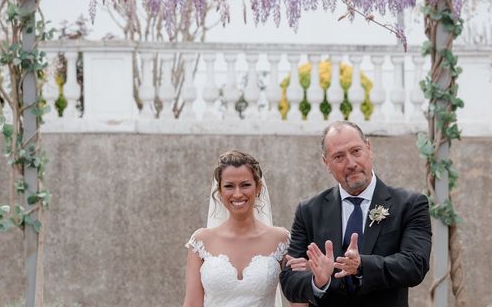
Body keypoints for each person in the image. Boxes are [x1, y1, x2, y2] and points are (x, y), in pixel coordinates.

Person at [280, 121, 432, 306]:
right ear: (326, 163)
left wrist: (361, 266)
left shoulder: (409, 204)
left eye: (356, 151)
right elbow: (289, 280)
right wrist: (318, 281)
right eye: (339, 156)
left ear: (369, 148)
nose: (351, 163)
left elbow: (415, 265)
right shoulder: (309, 210)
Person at [183, 150, 307, 307]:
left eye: (245, 185)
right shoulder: (200, 241)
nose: (237, 194)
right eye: (229, 186)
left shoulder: (280, 239)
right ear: (220, 192)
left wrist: (311, 277)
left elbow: (298, 302)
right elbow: (192, 303)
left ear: (258, 188)